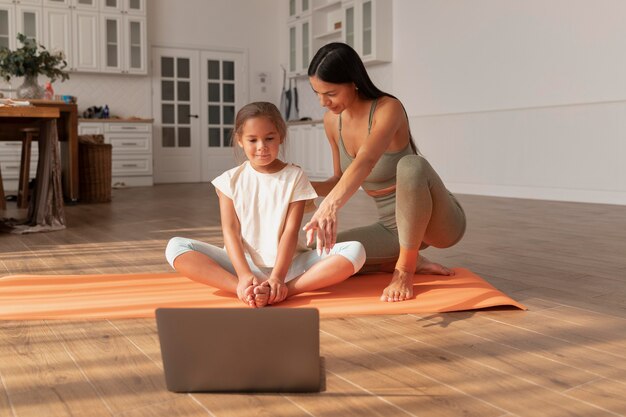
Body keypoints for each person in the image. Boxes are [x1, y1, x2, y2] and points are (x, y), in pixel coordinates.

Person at [304, 43, 466, 303]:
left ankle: (404, 270)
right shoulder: (332, 121)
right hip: (392, 230)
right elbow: (338, 179)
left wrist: (331, 206)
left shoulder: (387, 108)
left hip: (439, 223)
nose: (323, 102)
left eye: (330, 92)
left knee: (411, 166)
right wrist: (295, 186)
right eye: (317, 93)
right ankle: (398, 260)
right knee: (313, 254)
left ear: (353, 82)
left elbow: (366, 160)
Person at [166, 102, 366, 308]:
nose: (262, 146)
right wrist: (244, 275)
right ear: (240, 141)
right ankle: (242, 288)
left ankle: (285, 289)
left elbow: (290, 231)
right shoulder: (228, 180)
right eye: (252, 140)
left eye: (269, 138)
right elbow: (231, 231)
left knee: (355, 251)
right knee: (176, 247)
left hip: (289, 267)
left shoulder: (295, 176)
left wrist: (278, 277)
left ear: (281, 136)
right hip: (241, 265)